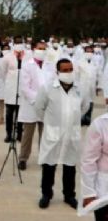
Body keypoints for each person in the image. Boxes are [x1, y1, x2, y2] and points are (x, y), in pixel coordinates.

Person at [35, 58, 85, 210]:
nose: (68, 73)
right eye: (64, 70)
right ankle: (46, 195)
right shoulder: (48, 88)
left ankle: (69, 195)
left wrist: (72, 120)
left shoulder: (79, 88)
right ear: (57, 72)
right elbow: (39, 108)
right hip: (53, 134)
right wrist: (52, 123)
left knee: (70, 166)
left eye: (70, 69)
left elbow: (85, 106)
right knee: (49, 166)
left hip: (72, 134)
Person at [19, 40, 56, 171]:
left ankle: (44, 158)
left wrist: (46, 99)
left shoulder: (50, 65)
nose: (42, 51)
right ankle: (23, 158)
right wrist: (37, 100)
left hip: (46, 105)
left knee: (45, 134)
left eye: (44, 49)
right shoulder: (27, 65)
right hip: (31, 105)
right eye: (39, 48)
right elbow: (25, 87)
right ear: (34, 49)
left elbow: (52, 83)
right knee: (27, 134)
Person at [0, 38, 26, 145]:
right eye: (17, 43)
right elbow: (3, 72)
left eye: (20, 43)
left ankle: (19, 134)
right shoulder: (7, 57)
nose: (19, 45)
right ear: (14, 44)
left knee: (21, 114)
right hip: (11, 89)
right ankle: (9, 134)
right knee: (9, 114)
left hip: (22, 89)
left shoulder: (28, 56)